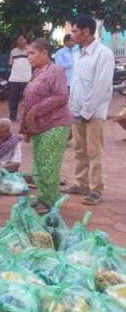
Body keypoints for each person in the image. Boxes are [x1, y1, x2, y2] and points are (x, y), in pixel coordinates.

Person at [62, 15, 114, 206]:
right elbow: (75, 85)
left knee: (94, 151)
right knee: (79, 150)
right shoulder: (77, 54)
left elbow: (101, 86)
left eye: (75, 31)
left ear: (86, 31)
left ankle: (96, 189)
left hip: (94, 112)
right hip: (77, 109)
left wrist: (86, 111)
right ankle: (82, 183)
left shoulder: (103, 53)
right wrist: (73, 110)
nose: (72, 35)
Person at [20, 39, 72, 214]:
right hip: (38, 127)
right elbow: (28, 100)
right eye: (28, 54)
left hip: (55, 124)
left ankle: (51, 203)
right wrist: (25, 129)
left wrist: (35, 110)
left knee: (48, 164)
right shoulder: (37, 72)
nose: (29, 57)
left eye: (32, 53)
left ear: (44, 53)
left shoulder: (55, 70)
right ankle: (43, 197)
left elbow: (61, 96)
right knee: (38, 165)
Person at [8, 33, 31, 121]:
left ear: (25, 40)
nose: (20, 42)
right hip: (14, 79)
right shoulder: (13, 51)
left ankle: (26, 117)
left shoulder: (30, 50)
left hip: (27, 79)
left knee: (27, 99)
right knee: (13, 99)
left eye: (21, 39)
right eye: (18, 40)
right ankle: (12, 116)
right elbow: (11, 64)